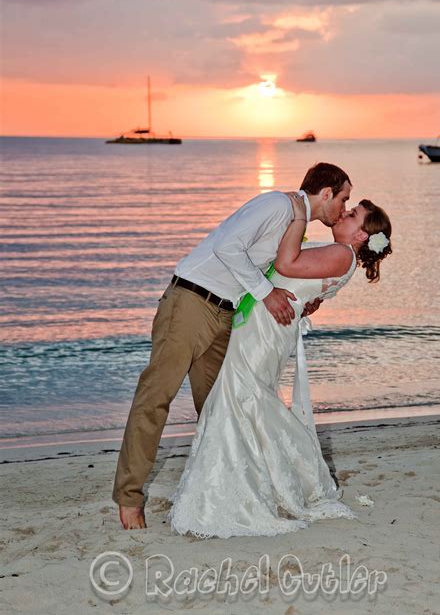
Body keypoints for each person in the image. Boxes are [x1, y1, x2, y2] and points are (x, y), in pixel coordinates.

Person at [113, 162, 352, 529]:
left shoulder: (295, 224)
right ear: (326, 194)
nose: (344, 208)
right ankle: (129, 499)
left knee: (219, 409)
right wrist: (266, 293)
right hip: (191, 302)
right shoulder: (276, 205)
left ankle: (220, 494)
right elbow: (228, 247)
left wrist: (301, 300)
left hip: (224, 314)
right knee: (156, 396)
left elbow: (274, 269)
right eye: (344, 198)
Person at [169, 197, 392, 538]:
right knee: (245, 396)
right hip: (266, 326)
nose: (345, 214)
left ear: (362, 237)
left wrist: (299, 217)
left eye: (353, 215)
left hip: (266, 330)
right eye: (348, 208)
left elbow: (287, 265)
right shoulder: (340, 254)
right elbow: (298, 282)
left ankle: (243, 487)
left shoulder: (342, 254)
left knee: (243, 395)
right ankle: (253, 480)